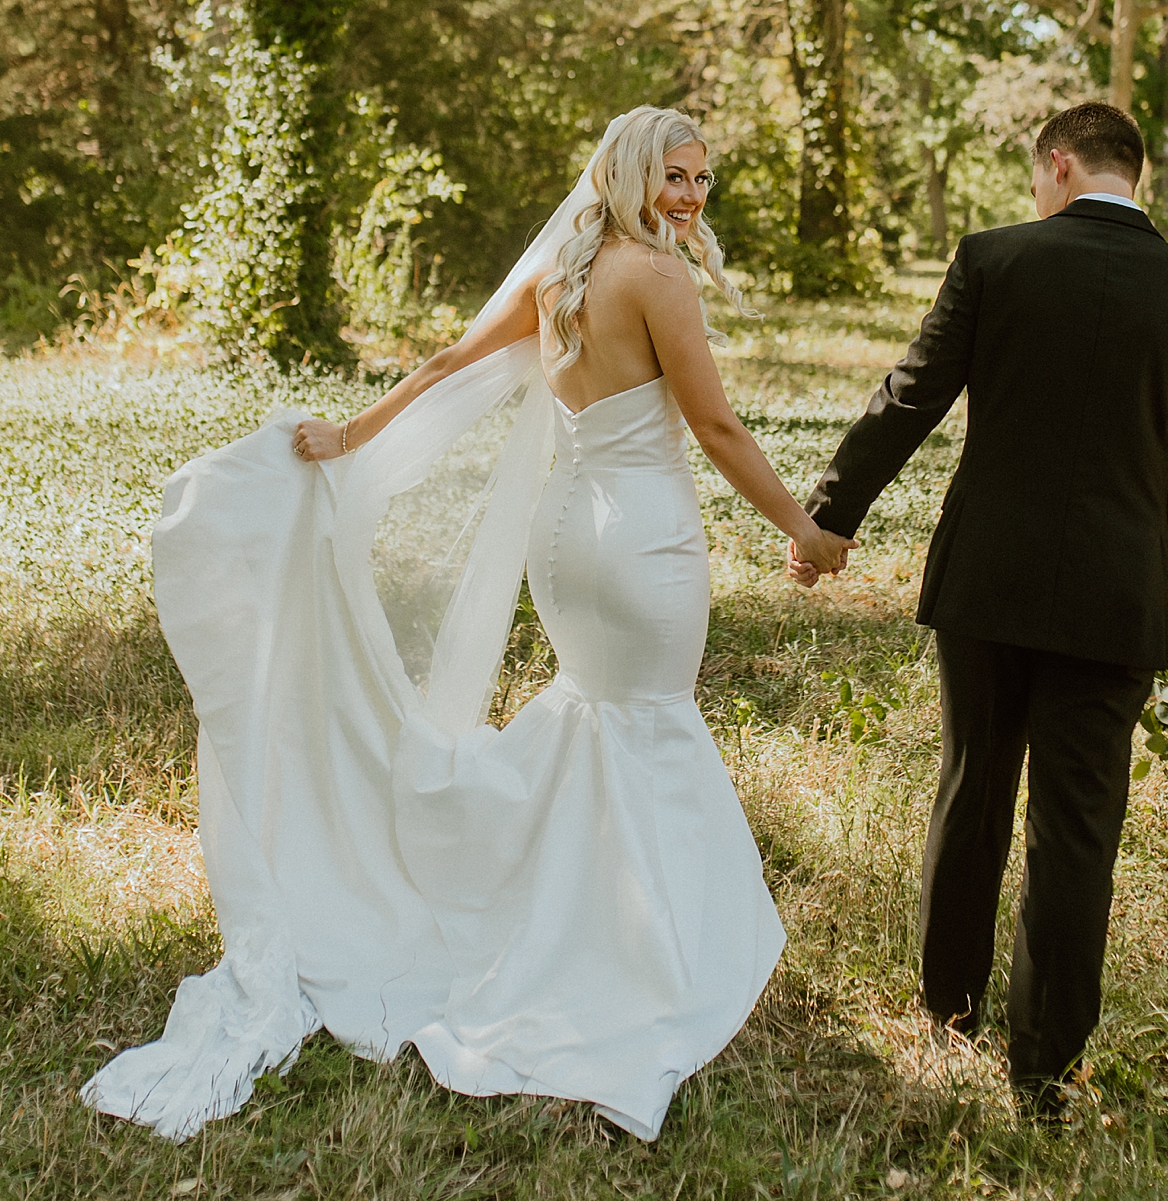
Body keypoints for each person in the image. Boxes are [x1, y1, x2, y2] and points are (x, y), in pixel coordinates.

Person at [81, 106, 853, 1143]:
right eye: (676, 176)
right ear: (629, 173)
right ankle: (649, 958)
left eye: (704, 181)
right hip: (641, 544)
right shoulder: (657, 278)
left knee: (598, 718)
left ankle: (570, 918)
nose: (692, 198)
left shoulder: (567, 271)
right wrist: (804, 525)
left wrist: (352, 430)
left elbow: (449, 360)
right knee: (648, 719)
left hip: (566, 540)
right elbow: (712, 423)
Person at [792, 102, 1168, 1116]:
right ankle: (1045, 1070)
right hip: (1114, 599)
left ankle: (947, 1012)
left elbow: (910, 394)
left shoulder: (993, 261)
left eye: (1035, 178)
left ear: (1058, 165)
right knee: (1079, 828)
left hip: (987, 582)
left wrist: (828, 514)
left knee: (972, 787)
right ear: (1128, 173)